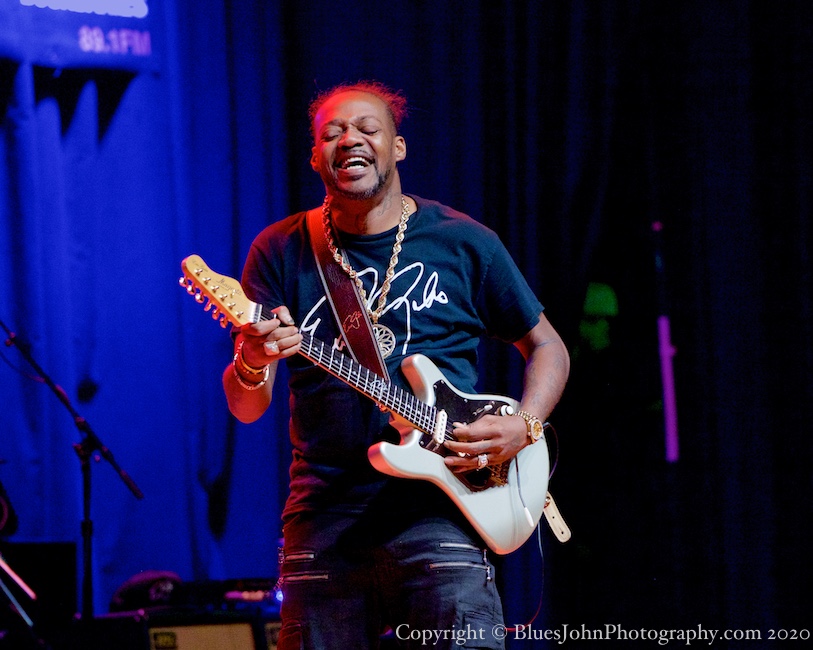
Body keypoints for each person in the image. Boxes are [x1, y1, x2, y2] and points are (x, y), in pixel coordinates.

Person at [222, 81, 570, 650]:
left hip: (442, 514)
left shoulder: (464, 242)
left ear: (398, 147)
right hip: (325, 516)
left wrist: (526, 424)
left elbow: (548, 346)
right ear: (315, 157)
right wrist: (252, 359)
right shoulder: (281, 249)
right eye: (332, 133)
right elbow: (245, 407)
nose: (349, 139)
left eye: (367, 128)